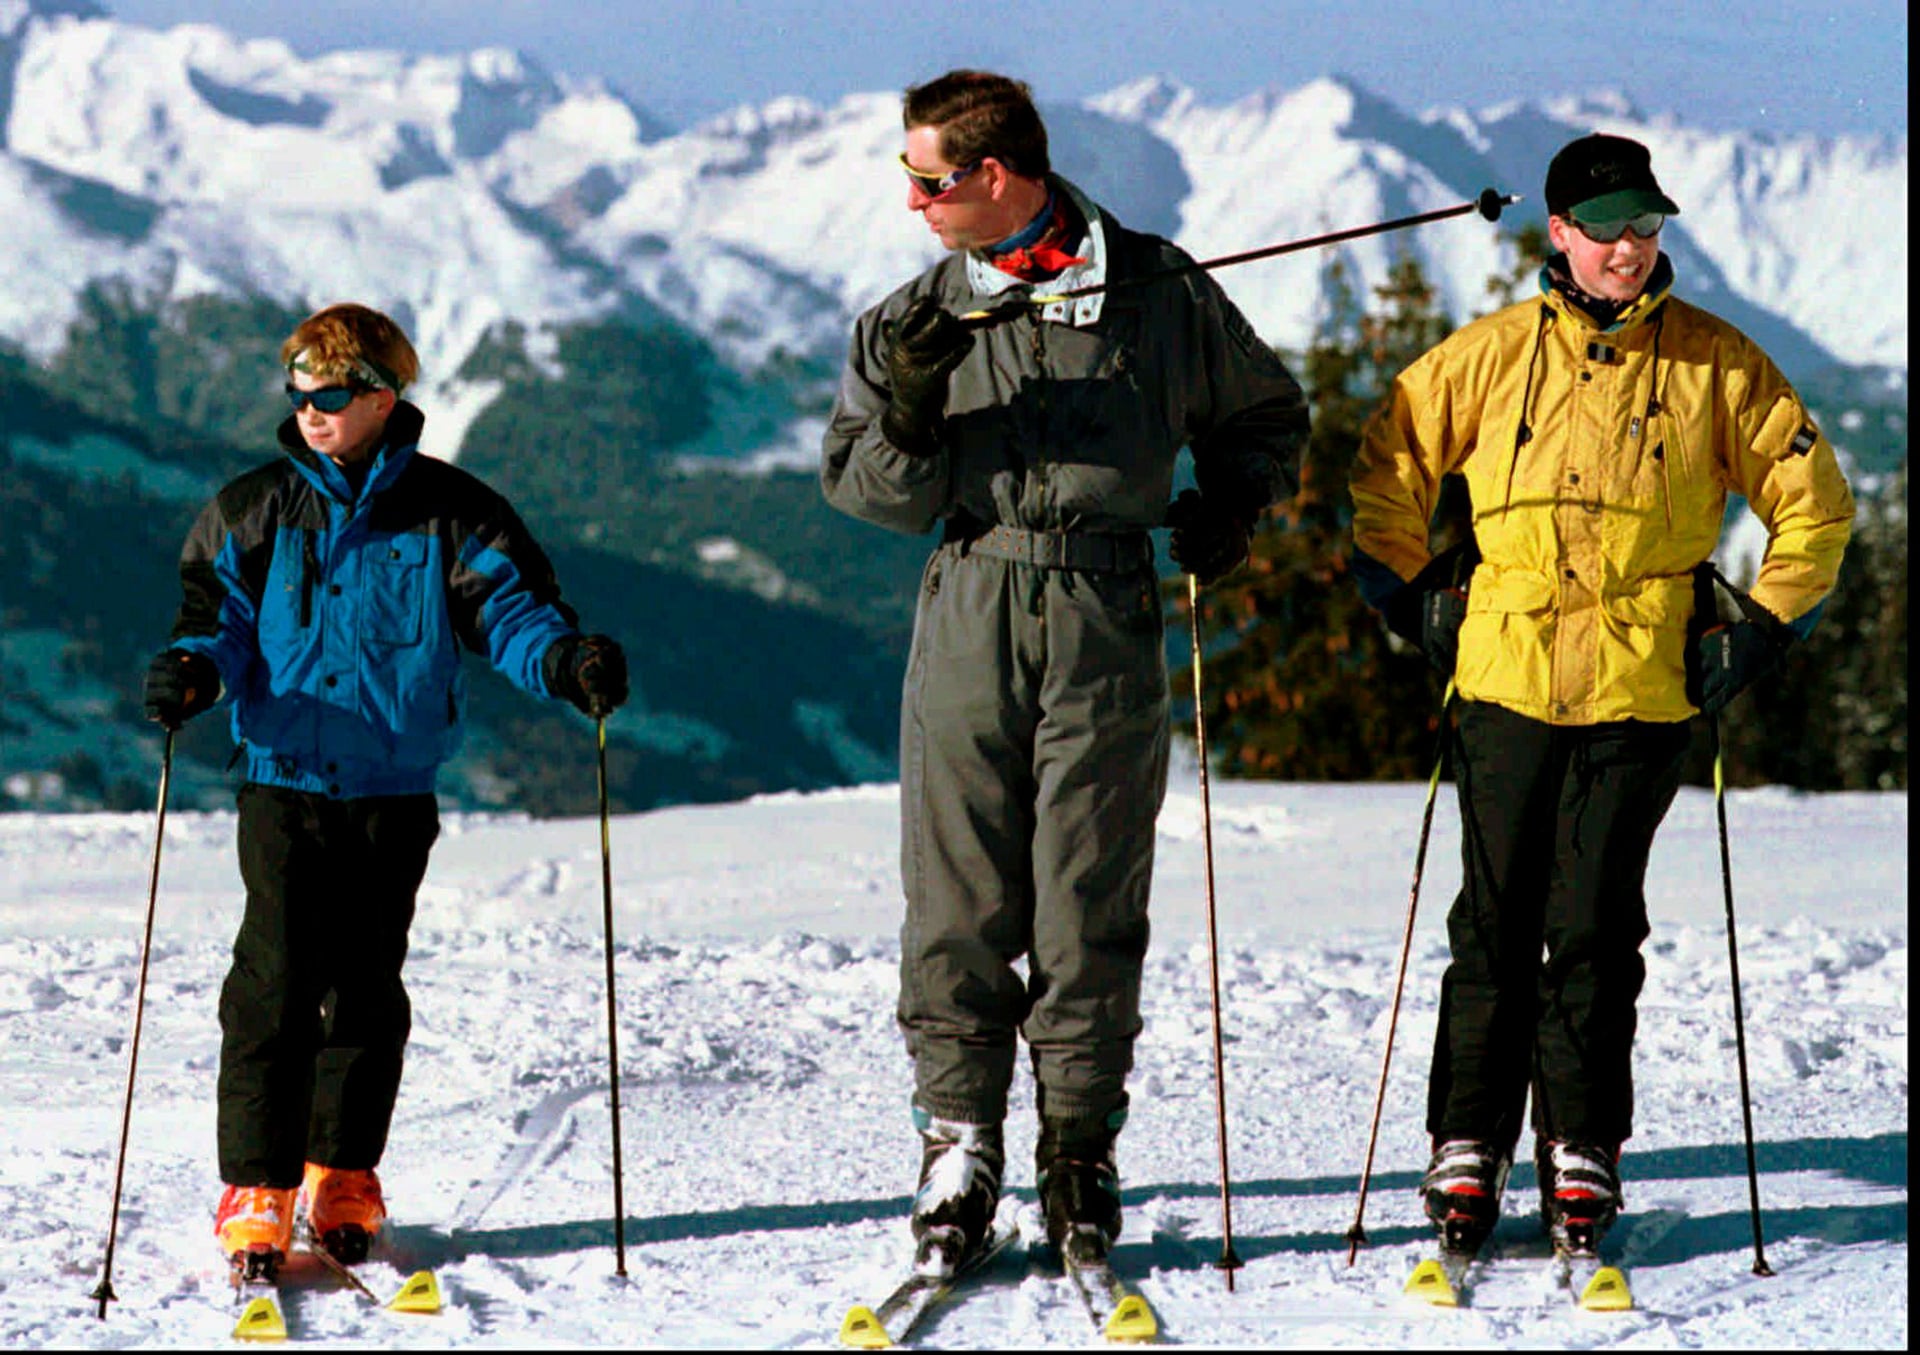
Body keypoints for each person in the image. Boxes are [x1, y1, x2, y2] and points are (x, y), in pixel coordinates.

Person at [821, 70, 1309, 1272]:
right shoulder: (912, 316)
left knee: (1087, 895)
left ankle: (1079, 1145)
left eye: (929, 181)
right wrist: (915, 397)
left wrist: (1233, 506)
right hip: (971, 594)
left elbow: (1267, 416)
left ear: (997, 177)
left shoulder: (1155, 287)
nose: (914, 202)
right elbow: (867, 491)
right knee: (957, 895)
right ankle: (960, 1139)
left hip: (1104, 604)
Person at [1348, 133, 1855, 1255]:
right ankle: (1464, 1146)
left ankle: (1584, 1146)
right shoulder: (1484, 356)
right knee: (1492, 924)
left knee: (1592, 926)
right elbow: (1385, 464)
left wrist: (1763, 627)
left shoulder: (1718, 364)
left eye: (1649, 225)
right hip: (1504, 674)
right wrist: (1416, 593)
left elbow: (1814, 503)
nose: (1632, 247)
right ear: (1560, 235)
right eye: (1612, 226)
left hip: (1644, 684)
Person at [143, 303, 630, 1275]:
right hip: (281, 782)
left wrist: (567, 660)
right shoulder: (253, 508)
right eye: (299, 393)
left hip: (391, 790)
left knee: (365, 988)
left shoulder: (456, 512)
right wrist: (194, 672)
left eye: (330, 393)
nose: (310, 411)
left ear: (382, 396)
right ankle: (257, 1184)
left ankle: (343, 1173)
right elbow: (217, 621)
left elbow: (515, 617)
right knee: (273, 987)